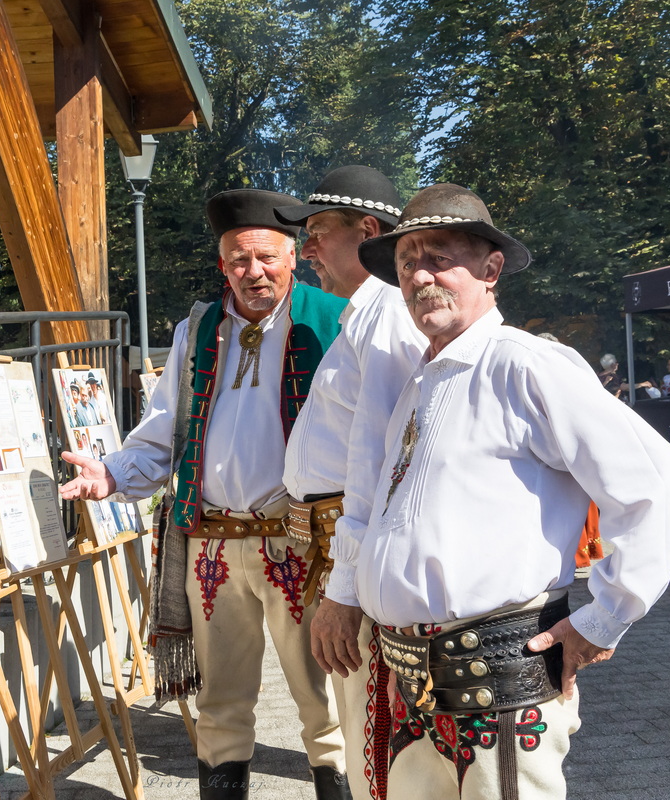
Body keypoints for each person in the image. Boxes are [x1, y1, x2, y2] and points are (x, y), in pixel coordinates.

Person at [311, 183, 670, 799]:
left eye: (439, 257)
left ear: (491, 270)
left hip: (499, 684)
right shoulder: (419, 381)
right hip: (410, 683)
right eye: (408, 261)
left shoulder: (525, 365)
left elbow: (658, 481)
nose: (420, 275)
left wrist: (604, 616)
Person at [59, 188, 351, 800]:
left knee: (323, 698)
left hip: (302, 544)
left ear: (293, 256)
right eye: (238, 260)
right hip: (211, 544)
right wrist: (110, 475)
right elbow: (165, 428)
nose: (253, 272)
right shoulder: (198, 328)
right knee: (220, 703)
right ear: (222, 265)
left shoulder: (336, 320)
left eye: (266, 257)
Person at [275, 165, 426, 800]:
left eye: (316, 233)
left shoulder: (386, 313)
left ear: (368, 231)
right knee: (362, 729)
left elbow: (385, 466)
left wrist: (347, 590)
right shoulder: (363, 315)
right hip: (338, 542)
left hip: (354, 547)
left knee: (373, 741)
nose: (305, 250)